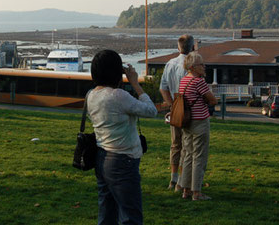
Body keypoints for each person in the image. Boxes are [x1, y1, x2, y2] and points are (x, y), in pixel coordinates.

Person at [85, 50, 158, 225]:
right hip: (122, 159)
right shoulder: (118, 96)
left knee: (107, 214)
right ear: (116, 72)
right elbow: (151, 110)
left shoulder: (91, 95)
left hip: (101, 157)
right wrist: (135, 83)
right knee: (130, 216)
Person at [176, 52, 218, 201]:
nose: (204, 66)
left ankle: (185, 189)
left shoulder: (183, 81)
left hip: (187, 122)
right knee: (199, 156)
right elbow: (212, 101)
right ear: (193, 67)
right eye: (201, 64)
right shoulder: (199, 82)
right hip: (200, 121)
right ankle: (197, 192)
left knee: (187, 155)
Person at [158, 35, 196, 190]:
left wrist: (171, 105)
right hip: (189, 109)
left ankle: (173, 179)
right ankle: (182, 180)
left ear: (178, 47)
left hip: (175, 107)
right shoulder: (192, 64)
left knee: (175, 145)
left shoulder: (170, 63)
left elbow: (163, 88)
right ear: (192, 46)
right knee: (188, 146)